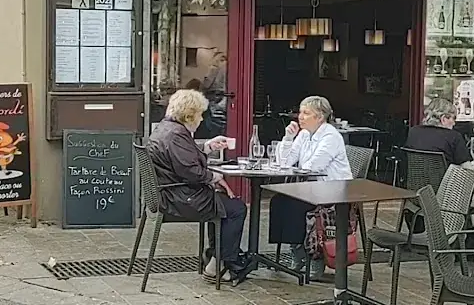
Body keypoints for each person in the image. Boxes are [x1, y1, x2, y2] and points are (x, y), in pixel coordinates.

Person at [147, 89, 247, 283]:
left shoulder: (166, 128)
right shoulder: (177, 135)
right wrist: (214, 177)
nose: (201, 119)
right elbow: (191, 172)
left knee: (222, 204)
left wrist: (207, 147)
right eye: (200, 114)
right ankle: (218, 263)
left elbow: (182, 158)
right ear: (189, 115)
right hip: (180, 199)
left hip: (170, 194)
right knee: (236, 208)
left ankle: (215, 256)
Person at [268, 95, 353, 279]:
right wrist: (288, 138)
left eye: (306, 113)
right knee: (279, 201)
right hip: (311, 187)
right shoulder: (305, 134)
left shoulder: (331, 136)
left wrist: (297, 168)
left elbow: (314, 166)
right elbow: (284, 162)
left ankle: (316, 256)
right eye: (300, 112)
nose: (300, 117)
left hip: (333, 190)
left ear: (320, 116)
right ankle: (297, 250)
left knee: (297, 205)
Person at [404, 97, 472, 165]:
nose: (454, 123)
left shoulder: (413, 132)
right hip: (444, 172)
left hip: (416, 172)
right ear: (443, 119)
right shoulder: (454, 137)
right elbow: (467, 168)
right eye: (453, 118)